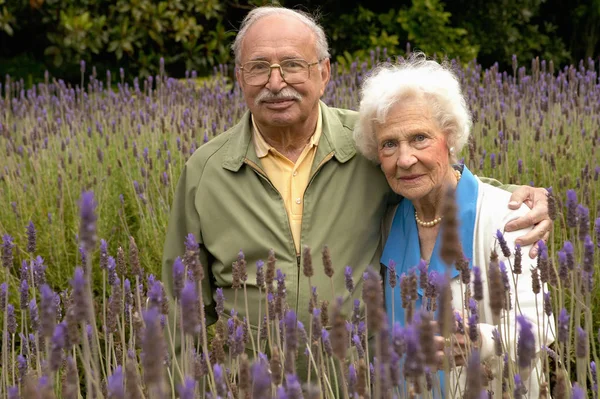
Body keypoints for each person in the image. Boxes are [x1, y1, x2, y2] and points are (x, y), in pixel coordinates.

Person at [161, 6, 552, 350]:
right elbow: (181, 304)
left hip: (359, 379)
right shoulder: (207, 170)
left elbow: (436, 174)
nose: (276, 83)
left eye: (293, 65)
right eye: (259, 67)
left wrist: (519, 198)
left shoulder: (367, 143)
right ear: (240, 77)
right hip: (255, 379)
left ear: (324, 72)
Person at [353, 54, 553, 396]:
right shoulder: (389, 221)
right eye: (389, 144)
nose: (404, 159)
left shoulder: (507, 219)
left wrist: (482, 342)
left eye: (419, 138)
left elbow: (540, 325)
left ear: (450, 138)